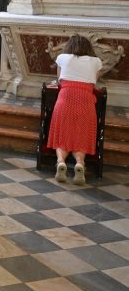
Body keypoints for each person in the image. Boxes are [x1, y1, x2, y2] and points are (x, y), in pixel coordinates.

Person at [48, 34, 103, 185]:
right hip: (85, 100)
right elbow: (94, 81)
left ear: (69, 47)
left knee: (62, 133)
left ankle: (61, 162)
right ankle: (79, 163)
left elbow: (59, 80)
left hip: (66, 98)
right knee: (82, 135)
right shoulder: (96, 61)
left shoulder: (62, 58)